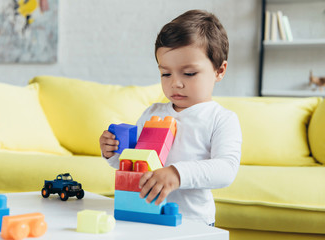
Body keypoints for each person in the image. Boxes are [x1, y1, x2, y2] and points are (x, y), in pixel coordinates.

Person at [99, 9, 242, 226]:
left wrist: (177, 174)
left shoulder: (221, 119)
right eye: (166, 73)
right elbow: (133, 164)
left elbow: (226, 169)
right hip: (145, 216)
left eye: (189, 73)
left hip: (192, 223)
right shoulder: (152, 114)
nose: (175, 83)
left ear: (219, 70)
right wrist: (112, 152)